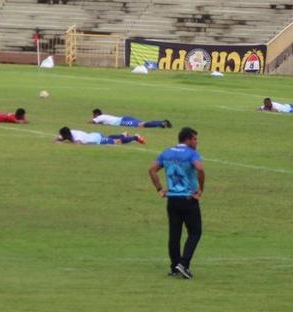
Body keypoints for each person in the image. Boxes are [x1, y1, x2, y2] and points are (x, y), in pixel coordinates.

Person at [148, 127, 204, 280]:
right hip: (188, 199)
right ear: (187, 139)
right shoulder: (192, 154)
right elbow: (200, 169)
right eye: (195, 139)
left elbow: (152, 170)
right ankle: (184, 264)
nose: (196, 142)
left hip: (172, 199)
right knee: (195, 232)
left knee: (174, 234)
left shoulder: (166, 152)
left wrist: (160, 189)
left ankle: (174, 267)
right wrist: (200, 190)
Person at [54, 127, 145, 145]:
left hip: (96, 139)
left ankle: (135, 137)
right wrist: (58, 140)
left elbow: (78, 143)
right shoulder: (69, 133)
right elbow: (57, 139)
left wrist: (65, 143)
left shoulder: (77, 136)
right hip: (94, 135)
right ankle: (123, 134)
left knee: (117, 142)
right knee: (109, 138)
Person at [90, 108, 171, 128]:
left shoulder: (100, 117)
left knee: (142, 125)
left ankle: (162, 122)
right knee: (144, 123)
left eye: (94, 115)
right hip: (124, 118)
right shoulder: (104, 116)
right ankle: (160, 123)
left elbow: (92, 122)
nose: (93, 117)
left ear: (97, 114)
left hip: (122, 122)